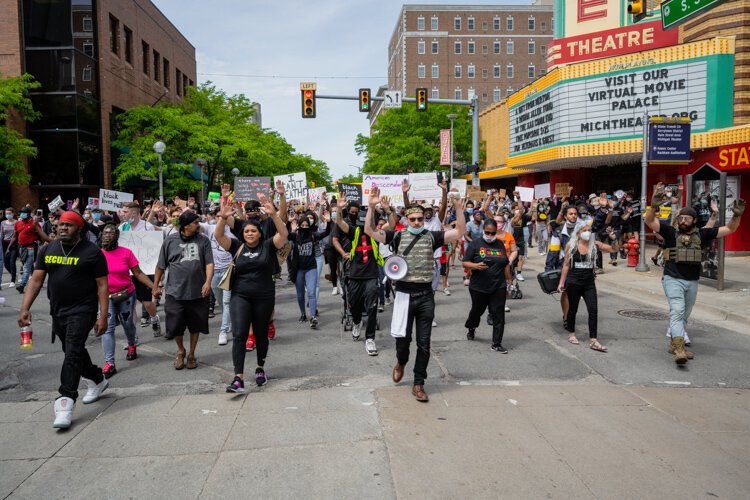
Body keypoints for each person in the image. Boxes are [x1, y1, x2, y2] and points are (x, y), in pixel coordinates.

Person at [364, 187, 466, 403]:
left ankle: (418, 383)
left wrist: (458, 209)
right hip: (403, 295)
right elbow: (370, 232)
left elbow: (459, 233)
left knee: (424, 343)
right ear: (407, 219)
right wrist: (372, 207)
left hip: (425, 296)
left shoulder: (432, 236)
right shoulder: (397, 236)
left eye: (420, 219)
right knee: (403, 340)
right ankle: (401, 362)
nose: (418, 222)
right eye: (413, 219)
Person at [17, 210, 109, 428]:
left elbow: (102, 285)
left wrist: (103, 316)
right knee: (72, 351)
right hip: (58, 311)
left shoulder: (92, 252)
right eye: (60, 225)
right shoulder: (48, 249)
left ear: (79, 228)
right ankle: (97, 379)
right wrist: (24, 308)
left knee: (73, 349)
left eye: (69, 225)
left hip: (84, 310)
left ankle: (65, 401)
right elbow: (36, 281)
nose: (63, 228)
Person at [644, 183, 745, 364]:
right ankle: (679, 349)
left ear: (694, 220)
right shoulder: (669, 232)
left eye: (687, 218)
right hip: (672, 278)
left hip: (692, 281)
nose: (682, 221)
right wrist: (653, 206)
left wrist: (737, 215)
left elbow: (730, 229)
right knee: (677, 310)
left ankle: (674, 343)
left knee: (684, 314)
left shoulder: (703, 234)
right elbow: (650, 221)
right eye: (681, 218)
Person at [214, 193, 288, 392]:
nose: (249, 234)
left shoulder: (268, 246)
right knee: (239, 335)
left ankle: (260, 368)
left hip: (264, 296)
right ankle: (238, 377)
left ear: (259, 233)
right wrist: (222, 218)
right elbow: (219, 236)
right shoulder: (237, 247)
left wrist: (274, 215)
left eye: (253, 231)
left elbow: (283, 234)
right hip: (241, 296)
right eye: (246, 231)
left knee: (261, 334)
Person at [152, 211, 214, 370]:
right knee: (175, 325)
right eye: (195, 223)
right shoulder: (170, 241)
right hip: (174, 292)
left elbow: (209, 263)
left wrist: (208, 282)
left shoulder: (204, 240)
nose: (198, 225)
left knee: (195, 325)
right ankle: (181, 350)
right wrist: (155, 286)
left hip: (198, 292)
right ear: (186, 226)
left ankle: (192, 353)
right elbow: (160, 265)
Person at [99, 224, 155, 377]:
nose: (107, 236)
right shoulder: (97, 254)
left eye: (111, 233)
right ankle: (109, 363)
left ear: (117, 236)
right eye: (105, 233)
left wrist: (153, 286)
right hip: (106, 298)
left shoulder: (126, 253)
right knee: (108, 328)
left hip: (126, 295)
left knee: (128, 324)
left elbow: (138, 273)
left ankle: (132, 345)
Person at [334, 195, 387, 355]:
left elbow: (391, 224)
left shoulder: (376, 235)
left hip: (371, 276)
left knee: (371, 307)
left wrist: (386, 209)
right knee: (354, 305)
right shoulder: (354, 232)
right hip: (354, 276)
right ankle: (357, 322)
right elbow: (339, 222)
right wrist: (339, 208)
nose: (364, 225)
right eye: (362, 222)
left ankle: (370, 338)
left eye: (367, 222)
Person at [557, 222, 619, 352]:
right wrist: (561, 283)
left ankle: (593, 339)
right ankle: (572, 333)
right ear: (578, 233)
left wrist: (614, 239)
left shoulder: (594, 245)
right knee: (572, 309)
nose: (587, 233)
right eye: (584, 230)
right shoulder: (571, 246)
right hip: (573, 282)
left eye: (589, 230)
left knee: (593, 309)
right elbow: (566, 265)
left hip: (589, 283)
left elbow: (614, 249)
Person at [462, 219, 513, 352]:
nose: (490, 235)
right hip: (479, 286)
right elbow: (465, 263)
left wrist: (509, 280)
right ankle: (471, 327)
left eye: (493, 233)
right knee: (476, 312)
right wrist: (475, 266)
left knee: (498, 314)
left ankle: (496, 343)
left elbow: (505, 263)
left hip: (498, 285)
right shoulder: (475, 244)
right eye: (487, 232)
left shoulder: (500, 245)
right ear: (483, 231)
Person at [118, 201, 161, 337]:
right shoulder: (122, 228)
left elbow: (156, 247)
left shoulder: (148, 227)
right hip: (127, 272)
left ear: (135, 213)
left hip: (145, 270)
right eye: (122, 211)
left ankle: (154, 319)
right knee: (130, 305)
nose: (122, 214)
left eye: (125, 212)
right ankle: (133, 337)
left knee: (147, 303)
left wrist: (159, 271)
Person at [288, 210, 331, 328]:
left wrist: (329, 221)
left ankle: (313, 317)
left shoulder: (313, 235)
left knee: (311, 292)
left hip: (311, 268)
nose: (305, 227)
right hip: (298, 269)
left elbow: (327, 233)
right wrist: (290, 227)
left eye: (307, 225)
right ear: (299, 226)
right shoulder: (295, 236)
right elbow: (283, 234)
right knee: (300, 294)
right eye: (302, 226)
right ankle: (303, 313)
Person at [546, 203, 580, 328]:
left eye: (575, 214)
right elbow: (553, 251)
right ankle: (567, 318)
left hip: (580, 266)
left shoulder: (583, 229)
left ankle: (571, 314)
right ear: (565, 216)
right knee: (565, 292)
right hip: (564, 265)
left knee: (575, 293)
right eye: (571, 214)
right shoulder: (558, 232)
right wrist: (548, 270)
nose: (573, 216)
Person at [10, 207, 51, 293]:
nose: (22, 214)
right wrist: (8, 247)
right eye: (21, 212)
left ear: (28, 214)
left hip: (31, 248)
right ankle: (36, 280)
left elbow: (40, 235)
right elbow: (15, 236)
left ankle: (22, 285)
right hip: (21, 248)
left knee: (27, 267)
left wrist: (43, 244)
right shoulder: (18, 223)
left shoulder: (34, 223)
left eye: (24, 212)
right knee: (26, 265)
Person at [2, 208, 18, 286]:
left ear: (13, 213)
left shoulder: (17, 222)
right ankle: (14, 274)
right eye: (6, 213)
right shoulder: (3, 223)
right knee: (6, 263)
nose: (7, 215)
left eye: (9, 213)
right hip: (4, 243)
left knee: (12, 262)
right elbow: (1, 234)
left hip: (14, 244)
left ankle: (13, 280)